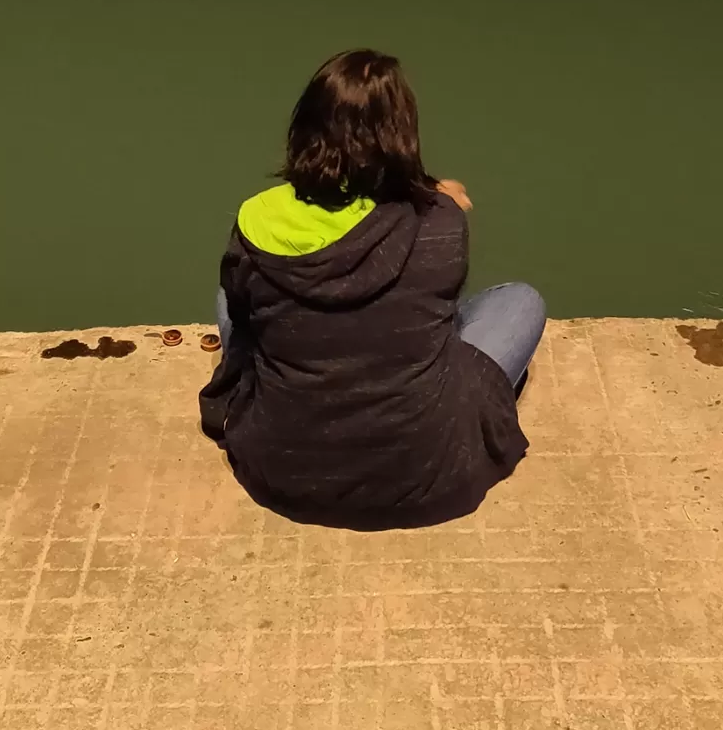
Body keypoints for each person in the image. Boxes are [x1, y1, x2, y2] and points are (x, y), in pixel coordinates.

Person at [200, 50, 545, 530]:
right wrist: (433, 191)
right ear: (401, 137)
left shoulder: (256, 218)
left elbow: (241, 307)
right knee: (520, 301)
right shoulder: (441, 224)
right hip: (425, 471)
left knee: (230, 295)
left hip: (286, 468)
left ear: (305, 127)